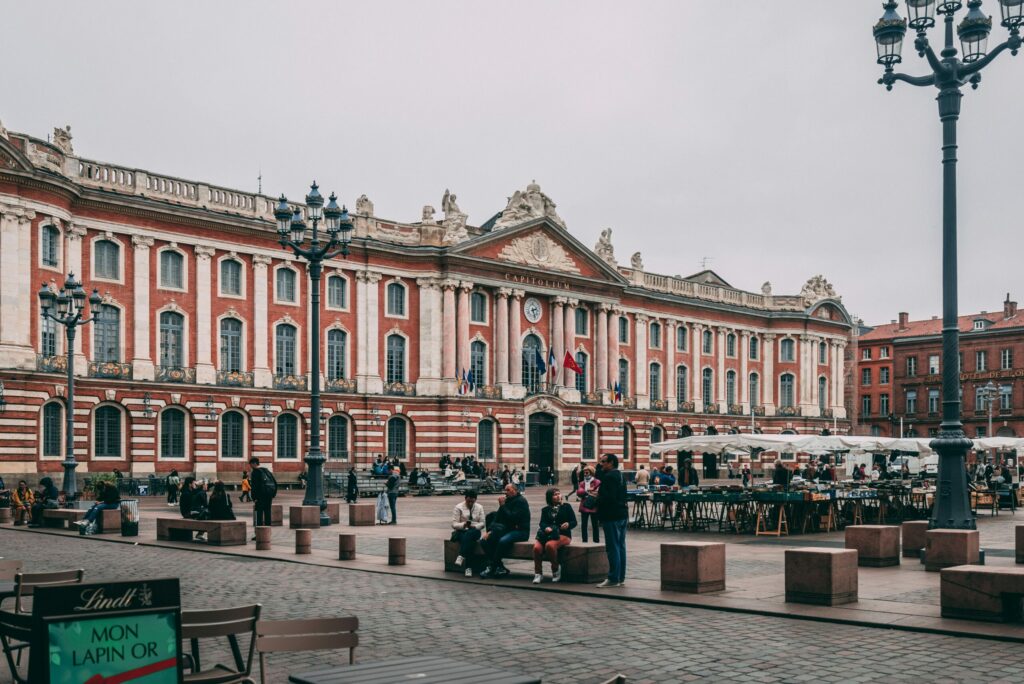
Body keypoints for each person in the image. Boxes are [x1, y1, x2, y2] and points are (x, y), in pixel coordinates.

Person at [480, 484, 531, 579]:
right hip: (508, 529)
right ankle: (499, 566)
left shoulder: (521, 502)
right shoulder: (507, 501)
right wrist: (490, 531)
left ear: (515, 491)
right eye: (505, 490)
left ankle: (492, 567)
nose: (505, 492)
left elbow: (513, 519)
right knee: (484, 541)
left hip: (520, 531)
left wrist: (503, 506)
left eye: (508, 490)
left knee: (503, 541)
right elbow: (497, 517)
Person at [533, 487, 577, 584]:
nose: (558, 496)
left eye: (559, 493)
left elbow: (574, 522)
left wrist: (568, 525)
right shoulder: (545, 509)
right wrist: (546, 528)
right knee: (536, 548)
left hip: (563, 534)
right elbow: (542, 523)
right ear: (550, 497)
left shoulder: (566, 507)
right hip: (547, 535)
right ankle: (538, 573)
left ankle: (556, 569)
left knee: (550, 545)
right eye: (555, 494)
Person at [596, 454, 628, 588]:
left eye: (603, 462)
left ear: (611, 463)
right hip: (622, 514)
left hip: (612, 516)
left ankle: (613, 578)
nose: (601, 464)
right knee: (621, 546)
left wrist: (597, 498)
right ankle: (620, 577)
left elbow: (609, 498)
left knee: (612, 547)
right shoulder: (620, 475)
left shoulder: (608, 477)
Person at [451, 490, 485, 577]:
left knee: (469, 536)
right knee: (469, 542)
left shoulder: (479, 507)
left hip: (474, 531)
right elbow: (454, 524)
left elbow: (482, 523)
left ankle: (461, 555)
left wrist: (475, 526)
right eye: (468, 501)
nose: (470, 503)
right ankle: (468, 568)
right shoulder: (458, 507)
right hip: (462, 531)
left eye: (472, 501)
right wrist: (464, 525)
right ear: (465, 498)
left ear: (475, 500)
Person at [249, 457, 276, 529]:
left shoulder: (255, 472)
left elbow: (255, 486)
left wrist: (254, 497)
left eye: (251, 464)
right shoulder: (266, 471)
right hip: (268, 495)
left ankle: (259, 533)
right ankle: (267, 532)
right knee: (267, 513)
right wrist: (273, 494)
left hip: (260, 496)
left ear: (254, 463)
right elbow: (275, 482)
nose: (250, 466)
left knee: (259, 514)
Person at [577, 466, 600, 543]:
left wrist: (587, 492)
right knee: (584, 525)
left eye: (587, 472)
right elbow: (579, 492)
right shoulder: (582, 482)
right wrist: (587, 492)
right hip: (584, 505)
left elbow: (598, 492)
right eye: (584, 472)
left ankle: (596, 540)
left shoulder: (597, 482)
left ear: (591, 473)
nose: (585, 474)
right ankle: (584, 540)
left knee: (595, 525)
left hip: (593, 505)